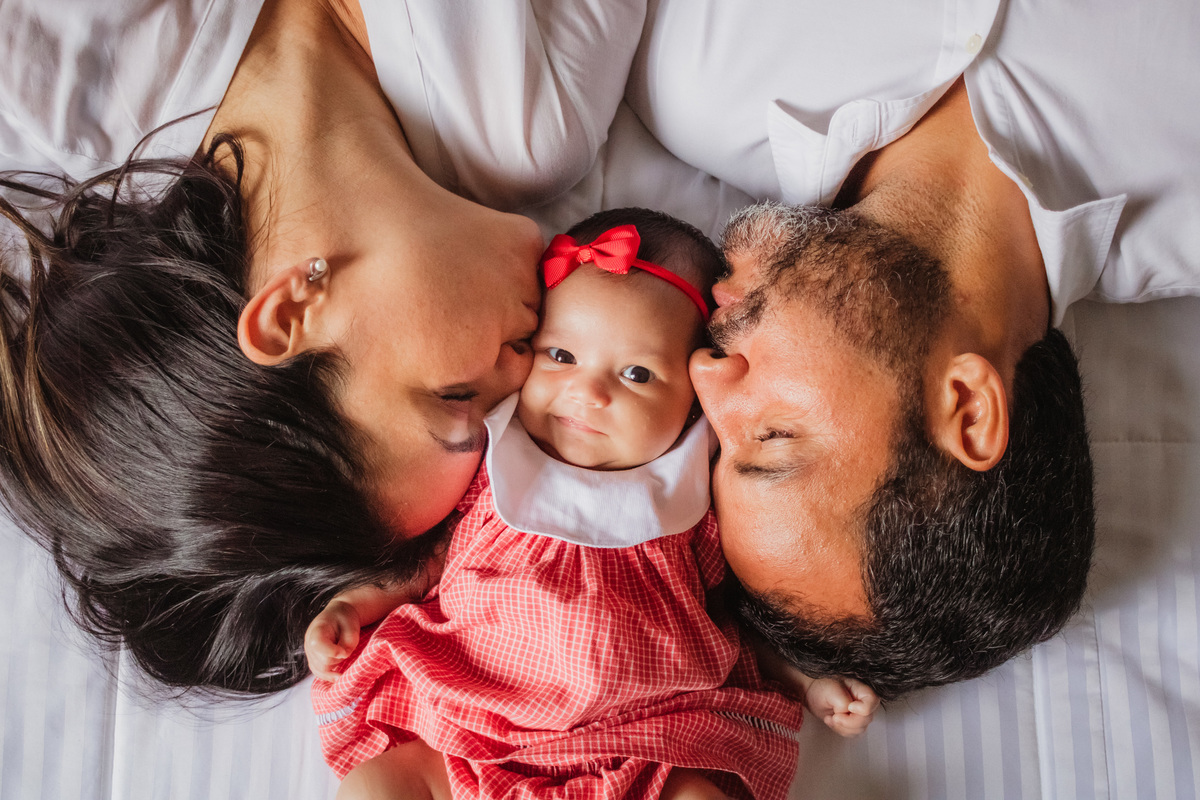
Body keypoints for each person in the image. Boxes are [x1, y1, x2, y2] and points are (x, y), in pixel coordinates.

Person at [0, 0, 648, 694]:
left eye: (456, 396)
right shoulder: (528, 118)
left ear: (289, 311)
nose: (522, 370)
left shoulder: (58, 77)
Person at [624, 0, 1200, 698]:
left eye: (718, 441)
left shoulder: (694, 82)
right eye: (772, 437)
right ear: (968, 407)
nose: (705, 372)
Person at [305, 209, 878, 800]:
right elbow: (426, 565)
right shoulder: (491, 464)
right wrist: (352, 605)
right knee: (378, 787)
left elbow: (737, 621)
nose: (588, 391)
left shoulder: (694, 503)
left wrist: (806, 681)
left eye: (636, 373)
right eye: (561, 356)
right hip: (471, 721)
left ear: (694, 398)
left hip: (646, 741)